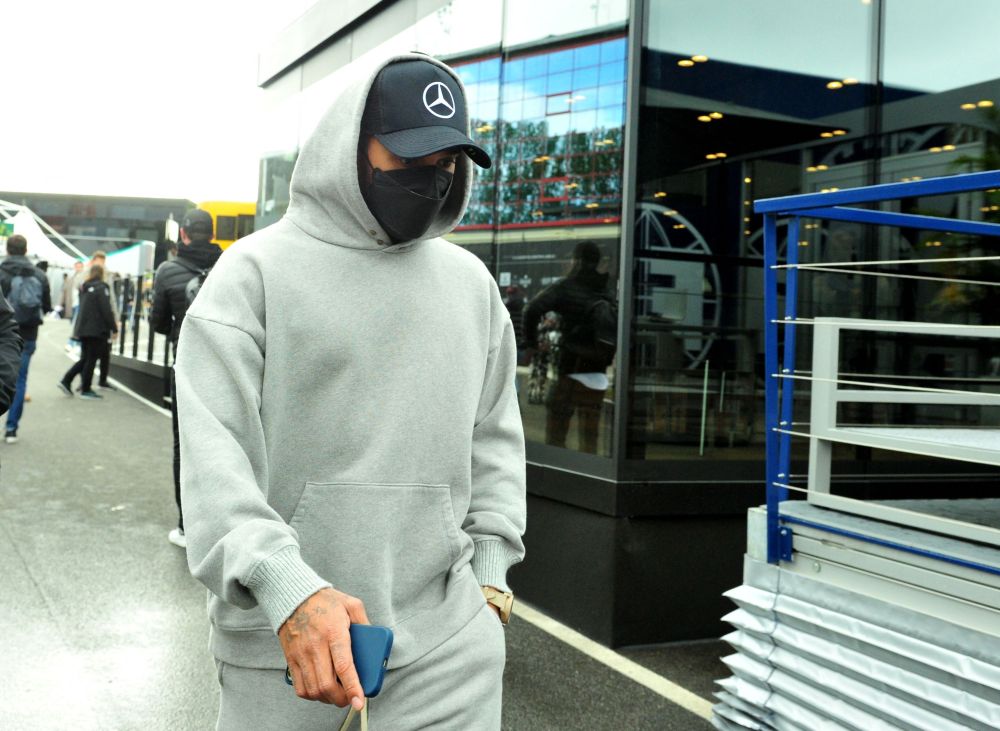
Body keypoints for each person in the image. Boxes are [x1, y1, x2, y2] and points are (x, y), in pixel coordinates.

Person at [176, 55, 526, 730]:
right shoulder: (251, 277)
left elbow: (497, 442)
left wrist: (490, 582)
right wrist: (286, 589)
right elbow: (215, 468)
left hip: (452, 651)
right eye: (412, 157)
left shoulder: (472, 288)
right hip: (286, 648)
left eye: (450, 160)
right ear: (351, 144)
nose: (435, 177)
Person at [149, 208, 222, 549]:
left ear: (183, 235)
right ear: (212, 232)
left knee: (185, 445)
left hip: (188, 365)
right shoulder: (231, 263)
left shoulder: (168, 270)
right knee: (229, 444)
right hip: (229, 366)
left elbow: (159, 322)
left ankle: (187, 528)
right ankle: (227, 525)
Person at [522, 241, 616, 453]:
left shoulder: (566, 287)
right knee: (590, 435)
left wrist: (533, 344)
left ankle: (559, 476)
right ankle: (588, 473)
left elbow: (532, 310)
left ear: (578, 260)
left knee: (557, 431)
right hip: (598, 373)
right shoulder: (606, 292)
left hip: (570, 370)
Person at [0, 235, 52, 443]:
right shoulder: (39, 274)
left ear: (8, 249)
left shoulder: (2, 272)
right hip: (27, 333)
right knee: (19, 378)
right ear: (25, 249)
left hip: (3, 335)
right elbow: (46, 305)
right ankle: (12, 428)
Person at [58, 264, 117, 400]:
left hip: (83, 328)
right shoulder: (102, 288)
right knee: (90, 359)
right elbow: (106, 310)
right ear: (102, 274)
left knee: (86, 358)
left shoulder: (84, 287)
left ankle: (69, 381)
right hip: (97, 330)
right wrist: (114, 327)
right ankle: (83, 387)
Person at [85, 251, 119, 390]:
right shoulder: (87, 277)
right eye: (99, 262)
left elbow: (112, 300)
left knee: (104, 352)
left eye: (103, 262)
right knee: (88, 355)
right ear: (93, 261)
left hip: (103, 321)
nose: (101, 265)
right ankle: (83, 383)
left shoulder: (107, 277)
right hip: (92, 321)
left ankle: (101, 380)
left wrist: (115, 319)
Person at [65, 260, 85, 350]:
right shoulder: (72, 277)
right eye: (77, 266)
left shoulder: (84, 277)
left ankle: (71, 343)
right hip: (72, 304)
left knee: (75, 324)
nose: (78, 268)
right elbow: (67, 292)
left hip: (80, 303)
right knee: (75, 323)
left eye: (80, 266)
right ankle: (78, 343)